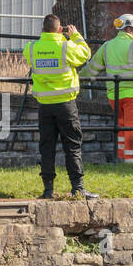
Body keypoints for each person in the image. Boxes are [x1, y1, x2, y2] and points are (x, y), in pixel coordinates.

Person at [23, 14, 97, 198]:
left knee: (47, 148)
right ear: (60, 30)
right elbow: (86, 54)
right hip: (65, 105)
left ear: (42, 30)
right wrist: (75, 35)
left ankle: (48, 190)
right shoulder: (66, 46)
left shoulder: (31, 48)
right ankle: (78, 188)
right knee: (72, 146)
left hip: (44, 106)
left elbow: (31, 58)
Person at [83, 13, 133, 163]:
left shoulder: (106, 46)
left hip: (114, 96)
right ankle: (131, 162)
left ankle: (122, 158)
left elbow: (92, 69)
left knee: (122, 127)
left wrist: (76, 79)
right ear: (129, 29)